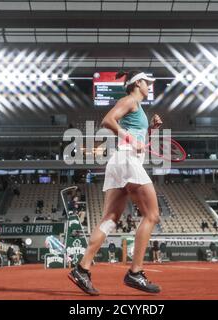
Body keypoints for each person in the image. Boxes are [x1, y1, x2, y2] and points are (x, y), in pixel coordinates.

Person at [68, 70, 162, 296]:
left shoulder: (137, 108)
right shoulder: (129, 100)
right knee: (152, 216)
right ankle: (135, 272)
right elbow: (107, 120)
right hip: (127, 161)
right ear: (137, 83)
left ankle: (82, 268)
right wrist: (131, 139)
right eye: (147, 82)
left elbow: (134, 138)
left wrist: (151, 130)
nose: (150, 85)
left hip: (119, 162)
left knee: (110, 219)